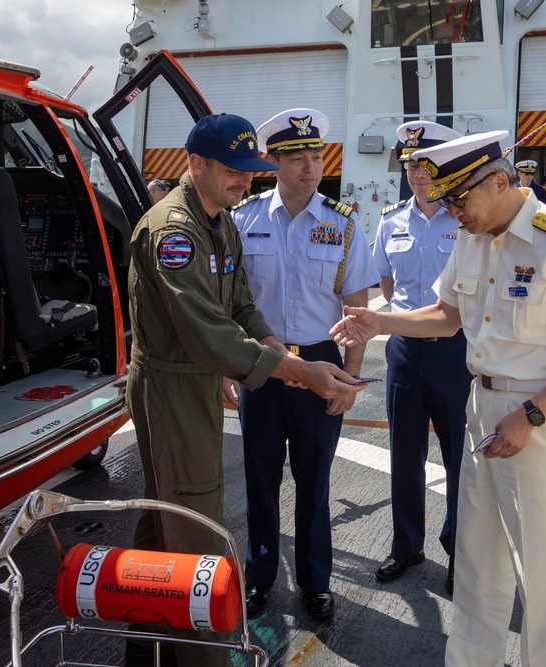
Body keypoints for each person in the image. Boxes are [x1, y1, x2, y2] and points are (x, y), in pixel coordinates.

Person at [330, 130, 546, 666]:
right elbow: (448, 315)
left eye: (458, 199)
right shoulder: (473, 234)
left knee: (545, 570)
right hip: (481, 408)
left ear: (500, 182)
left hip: (541, 417)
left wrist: (531, 415)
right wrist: (379, 321)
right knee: (478, 559)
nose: (451, 211)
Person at [126, 113, 364, 667]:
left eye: (250, 171)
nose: (245, 181)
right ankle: (204, 656)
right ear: (196, 164)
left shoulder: (220, 221)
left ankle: (144, 645)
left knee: (163, 517)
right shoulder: (175, 232)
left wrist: (279, 349)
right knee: (195, 521)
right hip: (174, 384)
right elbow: (208, 333)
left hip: (211, 374)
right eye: (234, 171)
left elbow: (239, 306)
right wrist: (296, 371)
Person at [230, 108, 380, 621]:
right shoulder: (243, 218)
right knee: (260, 476)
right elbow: (227, 301)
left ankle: (316, 581)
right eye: (298, 158)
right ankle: (261, 576)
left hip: (321, 360)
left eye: (316, 156)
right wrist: (228, 368)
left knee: (314, 480)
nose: (311, 167)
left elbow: (357, 307)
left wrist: (351, 378)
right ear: (274, 161)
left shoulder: (341, 223)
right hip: (263, 362)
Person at [372, 120, 471, 593]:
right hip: (405, 352)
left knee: (460, 458)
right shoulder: (391, 221)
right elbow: (388, 286)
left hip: (459, 351)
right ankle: (405, 546)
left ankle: (460, 553)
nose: (416, 172)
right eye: (409, 163)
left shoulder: (468, 219)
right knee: (404, 453)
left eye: (425, 163)